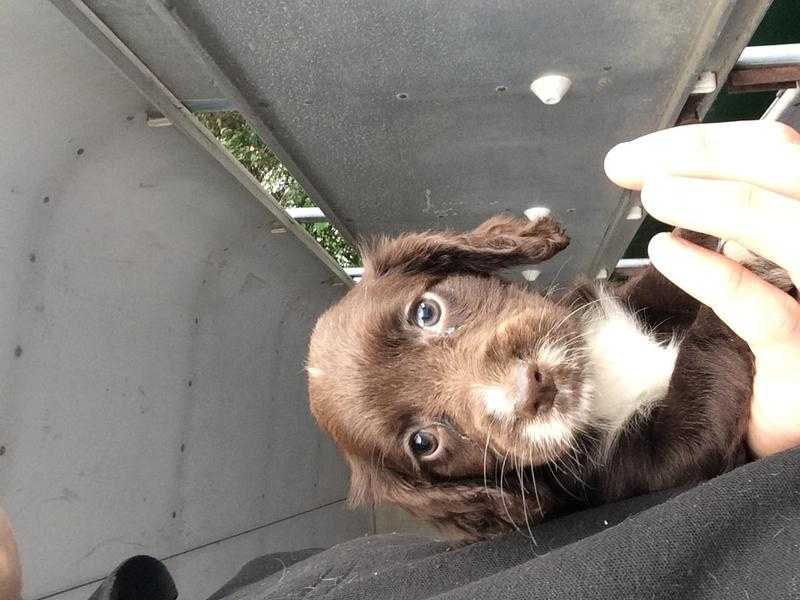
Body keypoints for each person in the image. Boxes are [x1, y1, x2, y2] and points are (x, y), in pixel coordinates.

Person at [1, 120, 798, 599]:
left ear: (466, 261)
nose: (497, 389)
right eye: (424, 440)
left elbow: (651, 307)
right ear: (448, 487)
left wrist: (712, 248)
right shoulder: (594, 479)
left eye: (427, 313)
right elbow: (688, 452)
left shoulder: (269, 579)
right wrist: (738, 308)